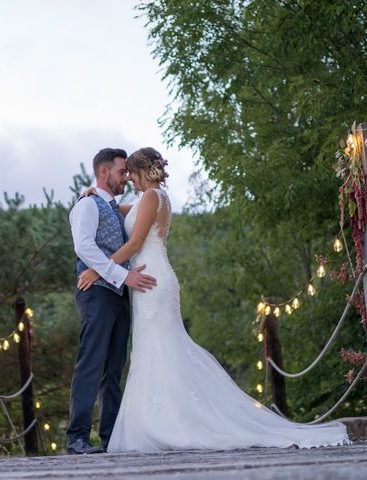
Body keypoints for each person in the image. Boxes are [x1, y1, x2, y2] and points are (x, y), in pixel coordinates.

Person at [77, 147, 350, 453]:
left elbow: (138, 242)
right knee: (156, 349)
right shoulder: (150, 198)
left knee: (160, 348)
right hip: (148, 279)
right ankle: (163, 420)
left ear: (142, 172)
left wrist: (98, 270)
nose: (129, 179)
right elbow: (117, 211)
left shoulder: (152, 198)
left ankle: (172, 424)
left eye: (131, 173)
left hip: (150, 279)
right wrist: (96, 195)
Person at [66, 148, 157, 455]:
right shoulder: (87, 205)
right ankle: (77, 438)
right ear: (103, 173)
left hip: (117, 294)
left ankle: (110, 439)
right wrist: (121, 274)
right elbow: (84, 247)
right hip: (96, 293)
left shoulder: (112, 206)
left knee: (113, 370)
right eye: (121, 172)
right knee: (91, 364)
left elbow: (144, 208)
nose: (125, 178)